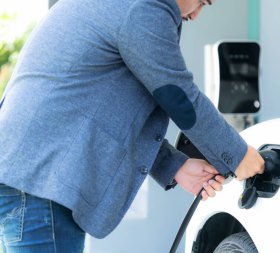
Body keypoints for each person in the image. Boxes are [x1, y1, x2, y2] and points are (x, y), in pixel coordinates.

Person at [0, 0, 265, 252]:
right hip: (41, 179)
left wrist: (176, 166)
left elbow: (109, 113)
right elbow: (178, 94)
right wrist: (239, 155)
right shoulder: (144, 7)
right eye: (202, 2)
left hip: (27, 171)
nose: (196, 15)